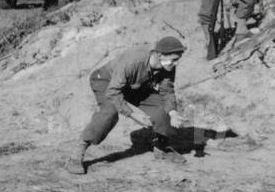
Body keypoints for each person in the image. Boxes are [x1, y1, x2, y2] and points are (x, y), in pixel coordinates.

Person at [66, 37, 187, 174]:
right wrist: (132, 114)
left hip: (133, 85)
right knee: (109, 113)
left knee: (162, 107)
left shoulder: (168, 65)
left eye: (178, 59)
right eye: (174, 59)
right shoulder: (133, 62)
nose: (176, 64)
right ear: (160, 55)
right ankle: (77, 153)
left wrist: (173, 113)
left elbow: (167, 91)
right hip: (106, 81)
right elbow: (113, 92)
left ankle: (162, 146)